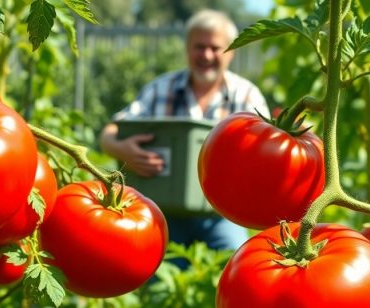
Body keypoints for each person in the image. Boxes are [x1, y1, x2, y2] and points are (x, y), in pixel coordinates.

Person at [99, 9, 270, 251]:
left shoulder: (246, 96)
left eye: (215, 47)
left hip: (221, 216)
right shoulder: (161, 89)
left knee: (236, 260)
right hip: (164, 212)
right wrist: (121, 149)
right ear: (187, 48)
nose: (207, 55)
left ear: (231, 53)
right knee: (157, 277)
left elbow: (264, 154)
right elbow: (110, 131)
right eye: (199, 47)